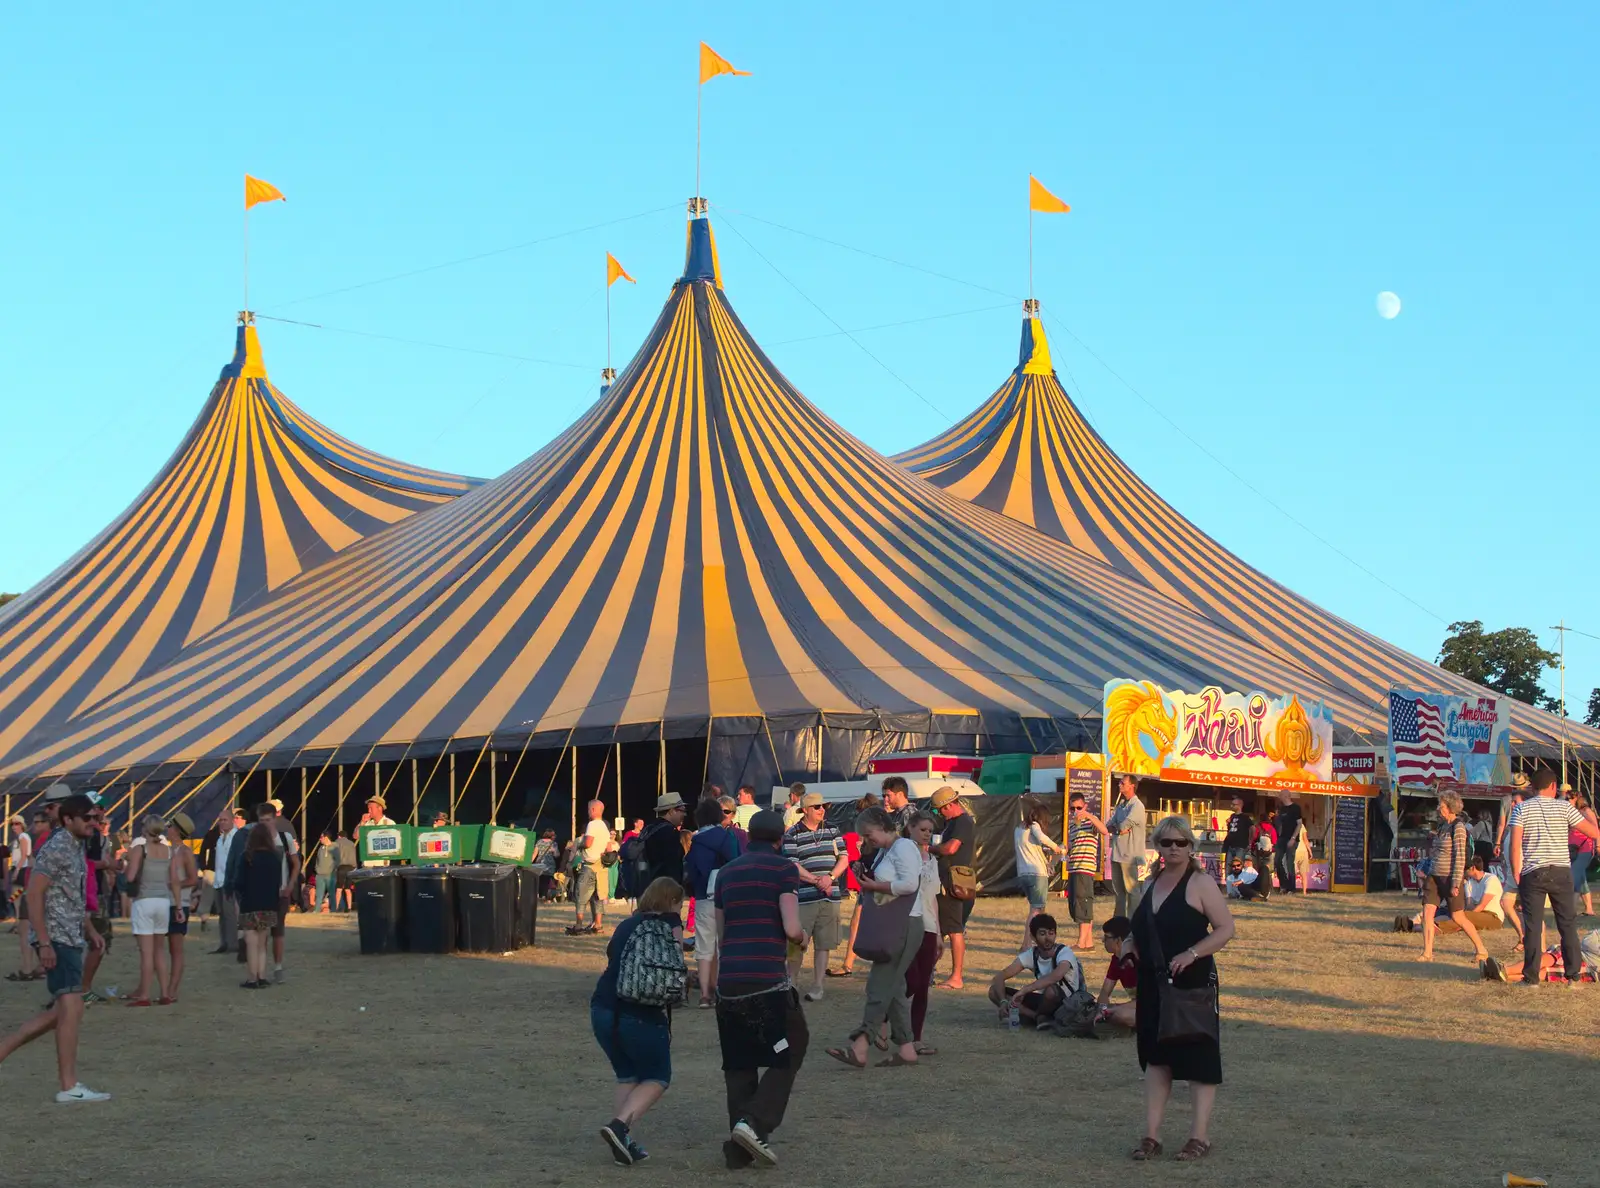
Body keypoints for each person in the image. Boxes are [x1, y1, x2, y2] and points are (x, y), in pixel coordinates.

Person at [1129, 815, 1235, 1163]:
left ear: (1192, 846)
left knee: (1199, 1061)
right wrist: (1129, 944)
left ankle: (1199, 1138)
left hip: (1192, 985)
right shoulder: (1148, 884)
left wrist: (1192, 953)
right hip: (1152, 984)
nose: (1173, 848)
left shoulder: (1201, 883)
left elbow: (1224, 929)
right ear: (1157, 846)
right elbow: (1138, 929)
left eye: (1181, 843)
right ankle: (1151, 1136)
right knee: (1156, 1060)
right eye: (1166, 842)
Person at [713, 810, 809, 1169]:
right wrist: (801, 938)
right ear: (779, 839)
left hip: (731, 980)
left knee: (740, 1062)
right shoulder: (783, 869)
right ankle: (753, 1123)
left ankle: (739, 1151)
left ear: (748, 836)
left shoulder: (727, 872)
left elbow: (721, 934)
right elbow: (790, 927)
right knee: (793, 1045)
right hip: (767, 980)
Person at [0, 794, 110, 1103]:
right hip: (57, 937)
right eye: (87, 818)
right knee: (71, 1007)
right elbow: (34, 894)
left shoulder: (76, 847)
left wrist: (89, 930)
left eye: (95, 818)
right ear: (67, 820)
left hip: (71, 935)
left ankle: (5, 1049)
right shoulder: (58, 846)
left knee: (63, 1010)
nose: (94, 822)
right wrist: (45, 942)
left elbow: (69, 895)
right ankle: (69, 1086)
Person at [590, 877, 687, 1166]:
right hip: (641, 1013)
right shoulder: (669, 926)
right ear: (671, 902)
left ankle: (622, 1139)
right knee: (657, 1077)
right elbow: (676, 964)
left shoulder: (626, 924)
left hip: (604, 1007)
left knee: (627, 1074)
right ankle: (620, 1126)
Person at [827, 805, 923, 1069]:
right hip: (897, 924)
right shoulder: (887, 850)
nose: (867, 840)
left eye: (869, 834)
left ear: (883, 826)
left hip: (904, 924)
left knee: (879, 987)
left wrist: (873, 885)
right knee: (893, 989)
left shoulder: (902, 847)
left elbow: (909, 884)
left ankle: (860, 1045)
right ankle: (906, 1049)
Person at [1510, 768, 1599, 984]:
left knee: (1532, 926)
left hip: (1533, 871)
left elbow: (1515, 844)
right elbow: (1592, 831)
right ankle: (1573, 976)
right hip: (1561, 871)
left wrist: (1516, 872)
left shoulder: (1521, 809)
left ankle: (1531, 979)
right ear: (1553, 787)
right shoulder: (1565, 808)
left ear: (1532, 788)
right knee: (1567, 924)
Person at [781, 792, 848, 1003]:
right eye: (818, 807)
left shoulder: (832, 829)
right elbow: (793, 864)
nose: (822, 810)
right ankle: (792, 982)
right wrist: (816, 881)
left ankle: (818, 985)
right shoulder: (792, 834)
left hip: (830, 897)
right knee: (797, 941)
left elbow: (844, 858)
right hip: (803, 898)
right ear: (806, 810)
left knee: (824, 943)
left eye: (824, 806)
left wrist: (830, 878)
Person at [686, 798, 744, 1007]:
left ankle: (704, 994)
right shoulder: (727, 837)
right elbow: (737, 864)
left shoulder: (696, 841)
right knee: (723, 946)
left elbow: (690, 873)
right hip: (725, 897)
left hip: (702, 898)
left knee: (703, 947)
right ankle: (720, 989)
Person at [1419, 792, 1489, 965]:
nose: (1438, 808)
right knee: (1427, 914)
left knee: (1458, 917)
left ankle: (1481, 949)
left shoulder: (1458, 827)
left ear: (1450, 808)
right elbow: (1436, 853)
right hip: (1434, 877)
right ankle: (1427, 953)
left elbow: (1459, 856)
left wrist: (1456, 883)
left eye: (1441, 806)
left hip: (1450, 878)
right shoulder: (1442, 826)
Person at [987, 912, 1084, 1028]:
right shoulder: (1031, 955)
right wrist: (1003, 1001)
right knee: (994, 992)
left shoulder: (1064, 952)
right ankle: (1038, 1017)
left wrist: (1025, 990)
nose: (1048, 938)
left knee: (1051, 991)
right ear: (1033, 937)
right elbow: (999, 977)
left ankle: (1038, 1017)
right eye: (1042, 934)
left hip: (1068, 1003)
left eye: (1051, 933)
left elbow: (1055, 976)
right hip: (1045, 1002)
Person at [123, 814, 176, 1006]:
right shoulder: (168, 850)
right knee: (160, 951)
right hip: (163, 901)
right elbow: (172, 878)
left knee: (146, 953)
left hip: (144, 900)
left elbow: (130, 877)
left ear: (146, 828)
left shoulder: (140, 849)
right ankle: (164, 993)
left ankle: (144, 995)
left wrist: (124, 864)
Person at [904, 811, 942, 1056]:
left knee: (923, 986)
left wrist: (938, 932)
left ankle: (916, 1037)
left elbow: (933, 898)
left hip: (928, 925)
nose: (927, 834)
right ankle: (882, 1016)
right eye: (922, 829)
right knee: (911, 980)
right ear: (910, 828)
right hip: (908, 923)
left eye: (930, 830)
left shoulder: (932, 860)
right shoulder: (902, 855)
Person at [930, 786, 976, 989]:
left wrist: (929, 848)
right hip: (948, 882)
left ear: (949, 805)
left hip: (953, 884)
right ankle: (928, 971)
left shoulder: (963, 822)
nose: (939, 814)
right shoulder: (953, 823)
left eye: (940, 810)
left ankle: (956, 977)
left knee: (955, 930)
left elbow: (951, 848)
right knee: (940, 930)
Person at [235, 821, 286, 989]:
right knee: (262, 942)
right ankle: (262, 976)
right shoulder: (275, 858)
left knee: (251, 942)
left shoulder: (246, 857)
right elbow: (278, 882)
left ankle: (252, 978)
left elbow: (239, 883)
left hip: (250, 904)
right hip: (269, 905)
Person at [257, 800, 302, 983]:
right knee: (261, 933)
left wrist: (290, 884)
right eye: (261, 821)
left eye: (268, 820)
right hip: (260, 893)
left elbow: (296, 864)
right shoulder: (254, 839)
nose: (265, 824)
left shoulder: (285, 838)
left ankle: (278, 967)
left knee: (278, 931)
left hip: (280, 892)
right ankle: (260, 970)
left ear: (275, 818)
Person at [1016, 802, 1067, 942]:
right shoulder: (1034, 826)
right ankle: (1026, 943)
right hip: (1036, 874)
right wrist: (1057, 849)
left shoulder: (1019, 829)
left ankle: (1040, 940)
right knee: (1036, 910)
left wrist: (1048, 861)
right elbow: (1042, 838)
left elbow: (1033, 848)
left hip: (1023, 874)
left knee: (1040, 909)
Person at [163, 813, 200, 1003]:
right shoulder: (167, 851)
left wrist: (175, 885)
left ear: (176, 830)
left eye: (169, 826)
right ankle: (164, 987)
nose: (166, 829)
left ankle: (173, 989)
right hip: (164, 903)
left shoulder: (185, 853)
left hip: (180, 904)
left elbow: (193, 879)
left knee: (175, 949)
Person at [1065, 793, 1109, 950]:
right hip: (1074, 867)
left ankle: (1081, 942)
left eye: (1079, 807)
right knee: (1077, 904)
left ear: (1085, 806)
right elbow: (1069, 846)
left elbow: (1104, 831)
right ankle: (1088, 943)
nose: (1076, 811)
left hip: (1085, 868)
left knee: (1083, 903)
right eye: (1072, 808)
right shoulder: (1072, 825)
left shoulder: (1091, 822)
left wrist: (1088, 815)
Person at [569, 799, 616, 937]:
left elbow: (588, 843)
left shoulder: (592, 824)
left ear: (594, 810)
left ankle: (578, 925)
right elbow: (608, 847)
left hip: (589, 865)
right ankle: (598, 925)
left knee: (581, 895)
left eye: (589, 809)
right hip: (601, 866)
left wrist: (580, 844)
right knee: (598, 896)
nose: (588, 812)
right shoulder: (604, 826)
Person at [1109, 775, 1148, 917]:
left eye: (1122, 783)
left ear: (1132, 786)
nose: (1119, 785)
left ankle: (1134, 923)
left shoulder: (1137, 806)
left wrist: (1117, 828)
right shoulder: (1121, 805)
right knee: (1119, 893)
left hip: (1129, 855)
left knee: (1132, 891)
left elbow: (1122, 825)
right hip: (1117, 854)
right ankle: (1118, 924)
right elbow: (1110, 825)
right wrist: (1117, 829)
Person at [7, 814, 37, 981]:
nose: (14, 827)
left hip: (22, 870)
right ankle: (18, 923)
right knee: (15, 897)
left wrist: (17, 870)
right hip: (21, 869)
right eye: (12, 824)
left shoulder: (24, 836)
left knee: (17, 898)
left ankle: (20, 923)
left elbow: (25, 854)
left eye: (17, 824)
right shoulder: (20, 837)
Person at [1095, 915, 1138, 1029]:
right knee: (1114, 1014)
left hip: (1158, 1008)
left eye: (1106, 937)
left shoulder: (1139, 959)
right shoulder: (1116, 960)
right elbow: (1105, 992)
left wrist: (1115, 1008)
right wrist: (1102, 1008)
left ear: (1118, 940)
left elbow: (1148, 999)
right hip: (1139, 1006)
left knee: (1121, 1015)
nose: (1103, 940)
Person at [211, 808, 245, 953]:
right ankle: (224, 942)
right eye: (220, 820)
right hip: (218, 880)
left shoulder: (237, 837)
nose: (221, 823)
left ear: (232, 820)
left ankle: (232, 944)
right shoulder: (220, 838)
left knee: (230, 914)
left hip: (229, 880)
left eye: (224, 820)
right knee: (222, 914)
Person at [1570, 791, 1596, 916]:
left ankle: (1573, 909)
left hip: (1585, 848)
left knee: (1576, 876)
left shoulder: (1587, 812)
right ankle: (1588, 908)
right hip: (1575, 848)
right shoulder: (1575, 812)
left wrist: (1598, 845)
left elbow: (1596, 829)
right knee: (1580, 877)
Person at [1274, 791, 1304, 897]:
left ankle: (1291, 888)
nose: (1279, 796)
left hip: (1292, 838)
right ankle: (1284, 886)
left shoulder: (1296, 808)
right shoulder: (1282, 809)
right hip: (1282, 838)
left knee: (1289, 862)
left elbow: (1299, 824)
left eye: (1281, 794)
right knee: (1277, 861)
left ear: (1286, 796)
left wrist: (1293, 838)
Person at [356, 796, 396, 867]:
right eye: (368, 808)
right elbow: (356, 836)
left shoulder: (390, 823)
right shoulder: (367, 824)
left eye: (371, 808)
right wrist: (362, 822)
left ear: (379, 808)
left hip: (382, 867)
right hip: (366, 867)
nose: (369, 811)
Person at [1249, 815, 1277, 902]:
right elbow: (1275, 841)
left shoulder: (1257, 827)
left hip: (1258, 853)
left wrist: (1252, 848)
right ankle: (1269, 889)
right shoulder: (1272, 829)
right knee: (1268, 871)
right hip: (1269, 853)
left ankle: (1259, 889)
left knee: (1258, 871)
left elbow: (1253, 839)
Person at [1221, 797, 1252, 873]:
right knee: (1228, 868)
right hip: (1230, 845)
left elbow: (1252, 828)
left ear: (1239, 805)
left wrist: (1250, 841)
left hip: (1240, 846)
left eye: (1233, 804)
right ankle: (1229, 883)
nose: (1231, 806)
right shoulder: (1232, 816)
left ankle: (1237, 884)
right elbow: (1230, 829)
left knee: (1237, 867)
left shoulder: (1245, 817)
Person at [313, 828, 339, 913]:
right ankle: (316, 910)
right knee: (319, 894)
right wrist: (317, 869)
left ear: (326, 837)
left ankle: (334, 910)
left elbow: (338, 861)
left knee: (332, 894)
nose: (320, 839)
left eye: (321, 837)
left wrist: (333, 871)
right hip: (320, 875)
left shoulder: (335, 847)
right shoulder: (321, 848)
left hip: (330, 875)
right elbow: (317, 860)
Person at [335, 828, 358, 912]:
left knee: (339, 888)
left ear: (339, 836)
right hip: (351, 868)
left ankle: (336, 907)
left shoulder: (337, 842)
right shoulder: (352, 843)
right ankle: (349, 908)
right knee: (348, 889)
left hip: (341, 867)